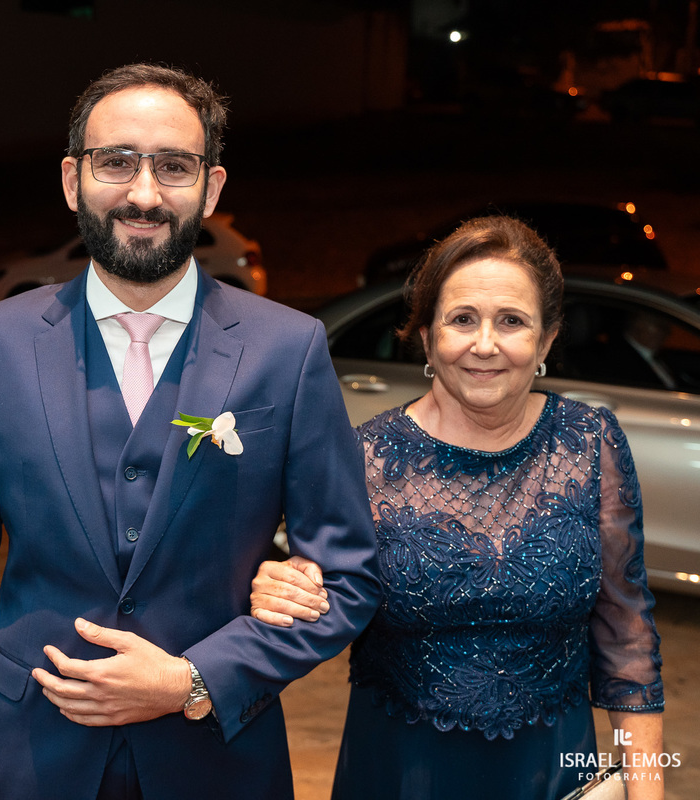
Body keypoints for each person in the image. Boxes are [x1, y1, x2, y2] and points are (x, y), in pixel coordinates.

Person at [0, 63, 381, 800]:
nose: (144, 194)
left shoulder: (287, 348)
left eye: (173, 166)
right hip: (30, 759)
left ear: (210, 188)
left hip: (219, 764)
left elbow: (347, 574)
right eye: (116, 162)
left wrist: (197, 678)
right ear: (72, 179)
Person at [252, 215, 665, 800]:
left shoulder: (589, 443)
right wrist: (281, 584)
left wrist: (646, 788)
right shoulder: (363, 458)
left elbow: (628, 638)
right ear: (427, 338)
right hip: (402, 771)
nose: (485, 344)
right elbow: (320, 593)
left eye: (512, 321)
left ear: (546, 340)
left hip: (552, 768)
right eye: (462, 319)